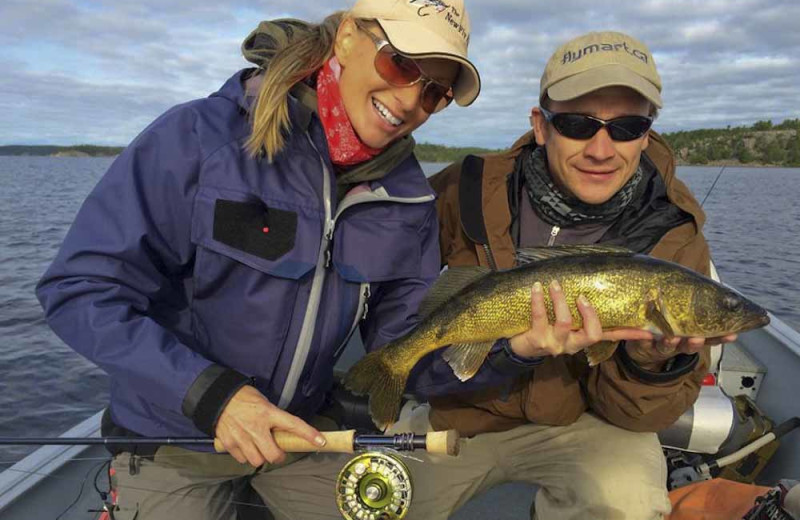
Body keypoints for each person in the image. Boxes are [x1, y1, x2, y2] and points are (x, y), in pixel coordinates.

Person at [34, 1, 488, 518]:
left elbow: (403, 349)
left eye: (434, 92)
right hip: (176, 437)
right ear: (345, 39)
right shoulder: (199, 139)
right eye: (401, 64)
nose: (410, 101)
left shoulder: (408, 199)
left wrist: (514, 346)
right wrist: (214, 398)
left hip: (302, 436)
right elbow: (79, 289)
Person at [392, 31, 738, 520]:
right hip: (458, 411)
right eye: (577, 124)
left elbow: (642, 416)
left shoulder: (675, 237)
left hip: (585, 424)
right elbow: (392, 291)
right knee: (373, 496)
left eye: (627, 126)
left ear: (647, 132)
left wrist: (648, 363)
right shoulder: (463, 189)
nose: (601, 149)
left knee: (628, 502)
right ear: (541, 125)